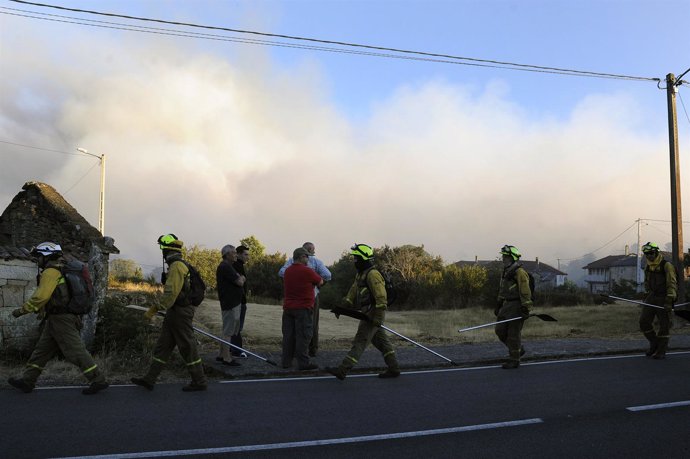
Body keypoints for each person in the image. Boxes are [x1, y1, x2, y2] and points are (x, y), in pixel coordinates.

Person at [7, 242, 109, 395]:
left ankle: (98, 380)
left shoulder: (51, 272)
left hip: (62, 319)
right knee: (41, 351)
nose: (37, 260)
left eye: (39, 257)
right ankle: (28, 381)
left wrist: (21, 311)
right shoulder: (59, 269)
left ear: (46, 256)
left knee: (76, 351)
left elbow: (41, 297)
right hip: (55, 319)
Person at [131, 234, 208, 392]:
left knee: (187, 346)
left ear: (167, 251)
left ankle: (199, 380)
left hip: (180, 312)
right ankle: (149, 379)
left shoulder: (177, 267)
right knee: (163, 346)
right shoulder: (177, 265)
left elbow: (170, 294)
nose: (163, 254)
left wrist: (154, 309)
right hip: (175, 312)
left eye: (163, 250)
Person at [326, 244, 400, 380]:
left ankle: (342, 370)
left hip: (373, 313)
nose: (354, 260)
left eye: (356, 257)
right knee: (382, 342)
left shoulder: (373, 274)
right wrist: (344, 306)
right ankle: (394, 368)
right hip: (367, 313)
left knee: (360, 341)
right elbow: (353, 291)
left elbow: (381, 298)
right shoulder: (361, 275)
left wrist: (378, 317)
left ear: (364, 258)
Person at [279, 242, 332, 356]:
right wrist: (315, 282)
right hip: (310, 297)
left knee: (296, 327)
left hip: (299, 297)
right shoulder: (316, 262)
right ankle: (310, 351)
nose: (309, 255)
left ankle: (296, 353)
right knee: (311, 324)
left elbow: (282, 272)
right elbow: (327, 275)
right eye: (310, 251)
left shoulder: (291, 262)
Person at [282, 247, 323, 370]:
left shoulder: (287, 271)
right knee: (304, 336)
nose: (308, 259)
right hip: (303, 308)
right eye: (307, 256)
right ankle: (303, 363)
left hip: (288, 308)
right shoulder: (307, 271)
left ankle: (286, 362)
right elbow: (320, 281)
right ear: (301, 257)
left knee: (288, 336)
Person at [495, 244, 533, 369]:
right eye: (503, 256)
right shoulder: (506, 272)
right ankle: (518, 349)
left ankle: (514, 359)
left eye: (506, 257)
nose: (503, 259)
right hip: (506, 305)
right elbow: (502, 289)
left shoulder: (520, 272)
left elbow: (525, 291)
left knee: (513, 334)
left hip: (517, 305)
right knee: (500, 330)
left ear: (512, 257)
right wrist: (499, 303)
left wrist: (525, 307)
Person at [640, 242, 677, 359]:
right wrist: (646, 294)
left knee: (664, 325)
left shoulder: (666, 265)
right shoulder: (648, 266)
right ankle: (654, 343)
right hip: (652, 296)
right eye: (646, 254)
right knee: (643, 321)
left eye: (651, 253)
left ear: (656, 252)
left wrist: (670, 299)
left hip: (664, 296)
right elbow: (646, 281)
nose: (649, 256)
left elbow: (672, 283)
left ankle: (661, 351)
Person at [215, 244, 246, 366]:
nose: (236, 255)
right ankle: (227, 358)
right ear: (227, 255)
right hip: (230, 303)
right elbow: (239, 282)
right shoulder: (225, 267)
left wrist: (240, 277)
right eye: (233, 253)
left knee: (227, 330)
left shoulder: (227, 266)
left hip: (231, 303)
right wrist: (242, 277)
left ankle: (221, 354)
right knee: (228, 331)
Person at [231, 245, 250, 359]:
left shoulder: (239, 265)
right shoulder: (236, 265)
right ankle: (237, 351)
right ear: (237, 254)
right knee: (237, 327)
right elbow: (240, 282)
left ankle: (231, 348)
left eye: (248, 255)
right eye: (245, 254)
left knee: (235, 327)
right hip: (237, 302)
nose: (247, 257)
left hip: (240, 301)